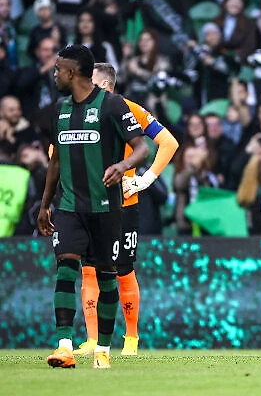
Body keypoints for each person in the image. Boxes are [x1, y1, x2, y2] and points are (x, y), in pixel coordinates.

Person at [37, 45, 150, 370]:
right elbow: (55, 162)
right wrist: (44, 205)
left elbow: (143, 147)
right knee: (65, 268)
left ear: (72, 73)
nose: (54, 75)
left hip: (105, 208)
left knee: (107, 276)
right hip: (69, 206)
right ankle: (64, 347)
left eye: (58, 69)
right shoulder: (59, 110)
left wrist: (123, 165)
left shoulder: (112, 105)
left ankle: (102, 349)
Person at [73, 63, 179, 357]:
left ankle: (131, 338)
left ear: (105, 86)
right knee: (89, 270)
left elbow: (169, 142)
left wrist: (145, 180)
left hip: (123, 204)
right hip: (89, 203)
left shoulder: (129, 109)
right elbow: (56, 149)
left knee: (123, 269)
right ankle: (92, 340)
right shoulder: (77, 112)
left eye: (90, 83)